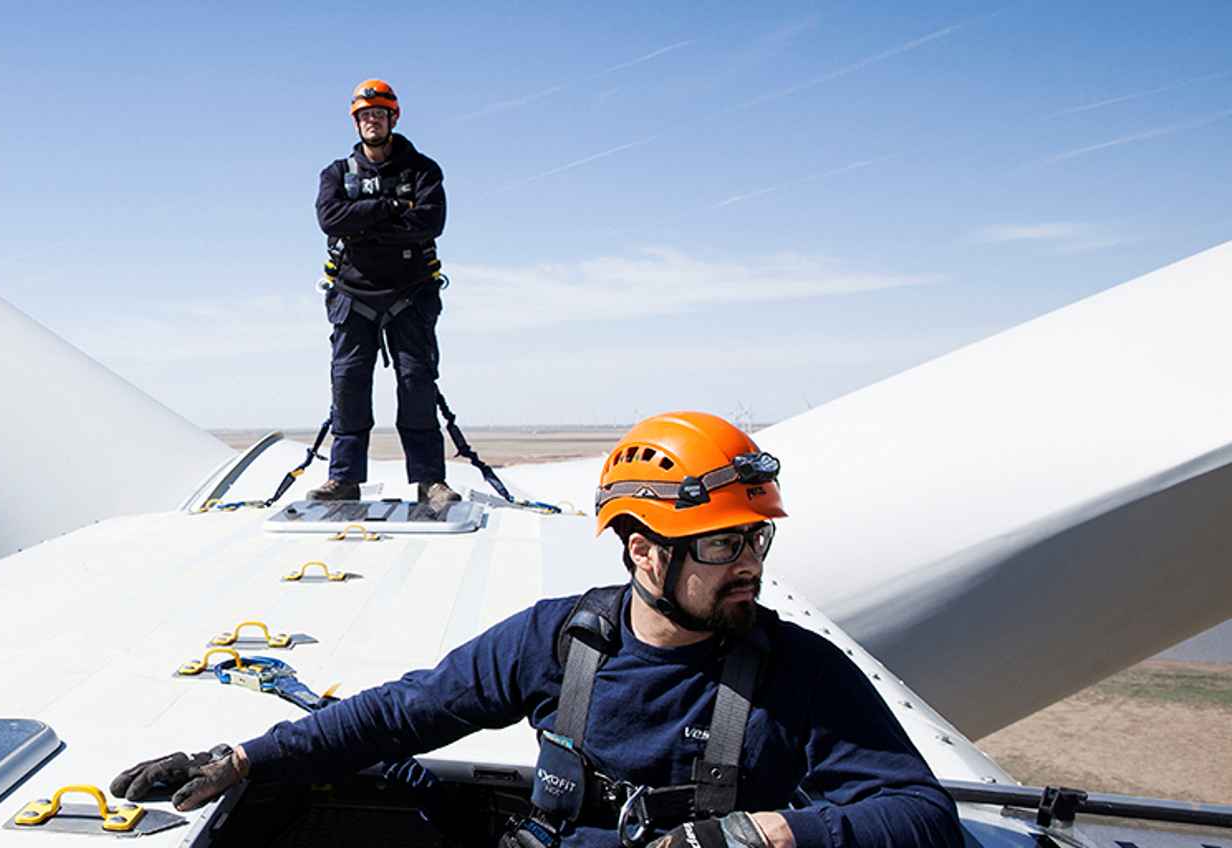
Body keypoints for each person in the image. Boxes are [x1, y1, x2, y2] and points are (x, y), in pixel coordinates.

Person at [112, 412, 965, 848]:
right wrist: (241, 759)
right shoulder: (561, 642)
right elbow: (399, 714)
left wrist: (769, 831)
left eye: (756, 538)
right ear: (642, 550)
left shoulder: (796, 673)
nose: (747, 562)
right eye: (720, 542)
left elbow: (922, 816)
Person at [309, 78, 459, 509]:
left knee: (416, 385)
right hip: (353, 296)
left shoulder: (423, 171)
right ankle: (344, 480)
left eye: (378, 114)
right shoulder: (336, 173)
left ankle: (431, 481)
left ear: (393, 118)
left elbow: (430, 223)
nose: (371, 121)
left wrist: (365, 227)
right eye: (364, 116)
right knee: (349, 386)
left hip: (410, 295)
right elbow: (332, 219)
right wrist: (392, 208)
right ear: (355, 123)